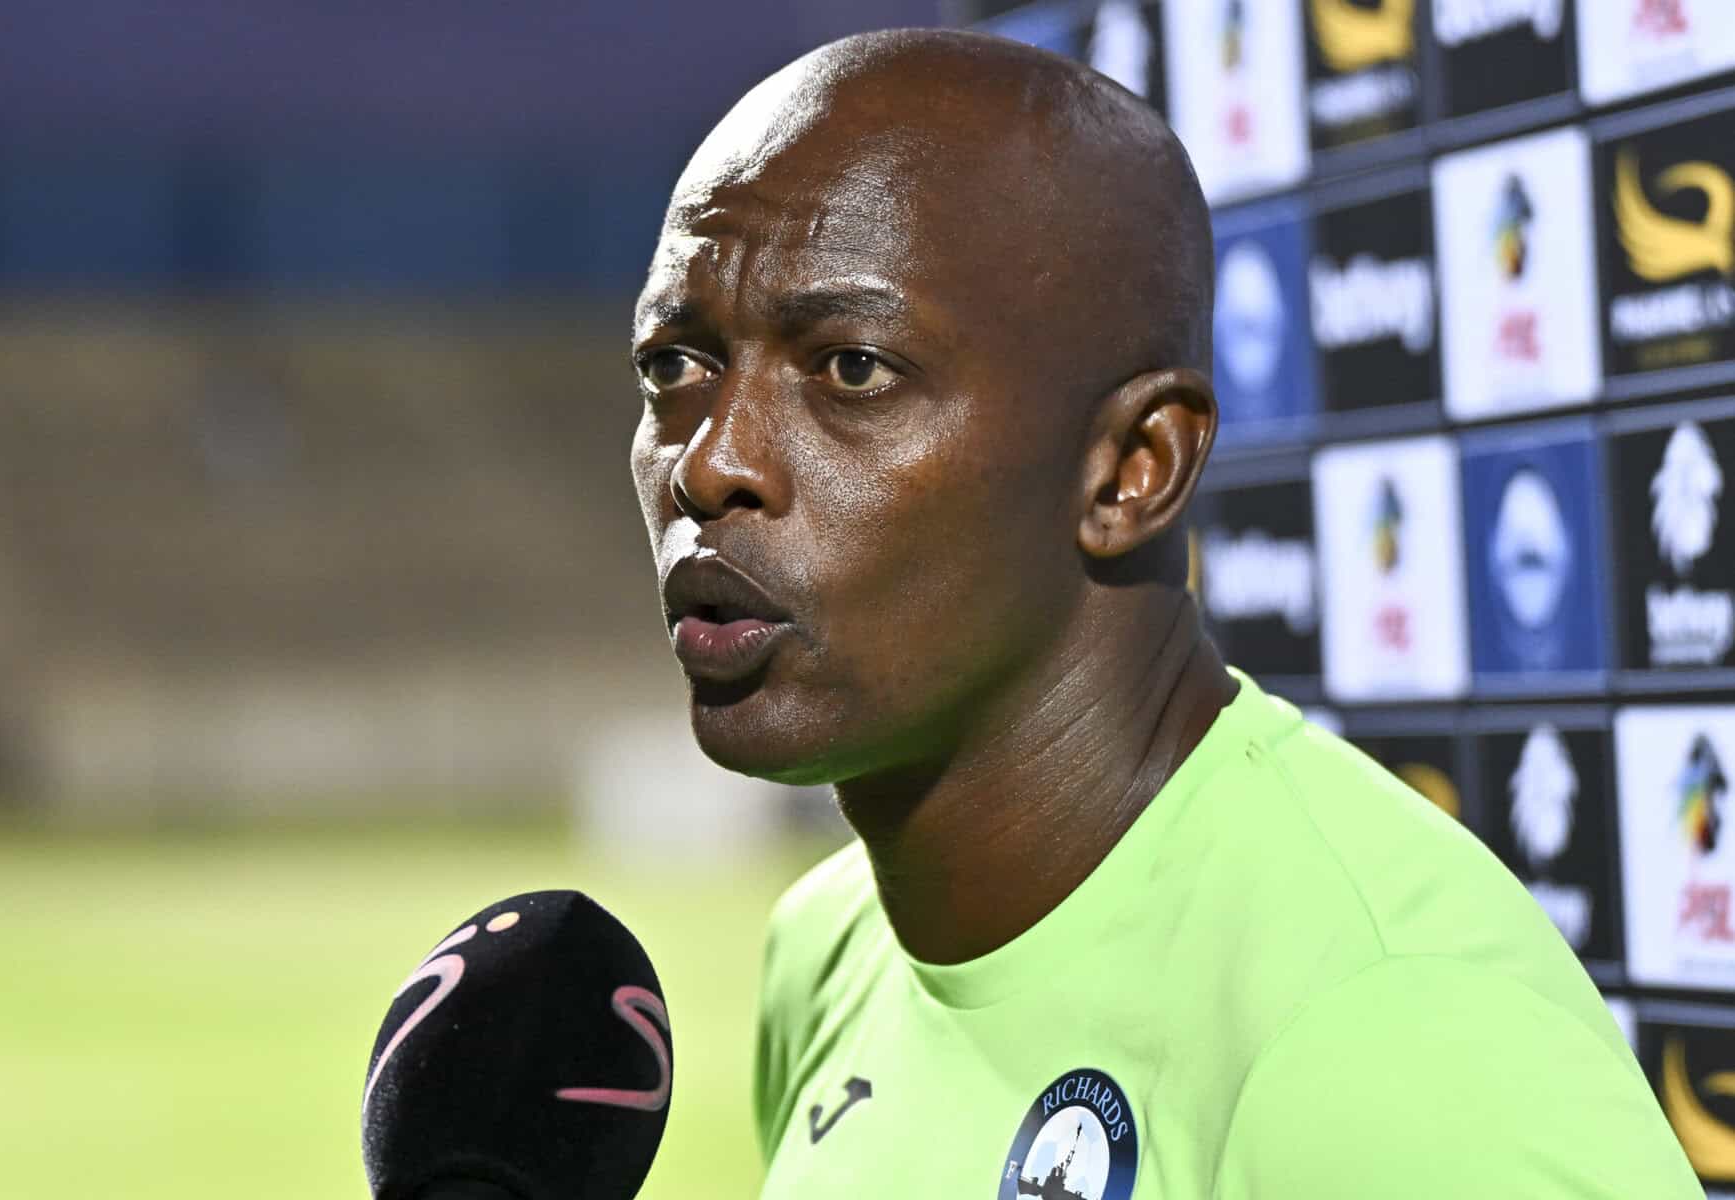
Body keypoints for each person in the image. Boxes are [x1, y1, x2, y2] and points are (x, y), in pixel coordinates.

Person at [626, 28, 1697, 1199]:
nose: (708, 463)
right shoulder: (828, 948)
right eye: (674, 364)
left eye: (851, 369)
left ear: (1131, 470)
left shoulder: (1388, 1028)